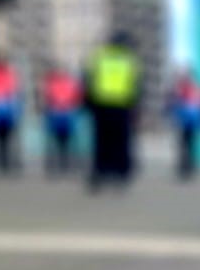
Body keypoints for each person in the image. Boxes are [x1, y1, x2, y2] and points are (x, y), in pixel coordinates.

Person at [84, 30, 142, 188]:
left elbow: (88, 81)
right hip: (122, 107)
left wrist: (89, 105)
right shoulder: (130, 60)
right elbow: (136, 85)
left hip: (101, 107)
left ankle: (100, 172)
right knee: (121, 142)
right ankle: (121, 173)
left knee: (101, 142)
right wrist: (136, 107)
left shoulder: (98, 57)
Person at [40, 63, 83, 175]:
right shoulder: (51, 83)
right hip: (55, 113)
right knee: (56, 139)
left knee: (66, 139)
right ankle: (56, 162)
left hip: (67, 113)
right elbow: (48, 97)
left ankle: (66, 162)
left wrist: (67, 103)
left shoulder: (70, 83)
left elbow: (76, 97)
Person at [168, 65, 200, 179]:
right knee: (186, 144)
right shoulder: (189, 88)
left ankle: (186, 166)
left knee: (186, 144)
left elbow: (197, 105)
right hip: (187, 120)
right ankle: (186, 166)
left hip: (189, 121)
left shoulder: (188, 88)